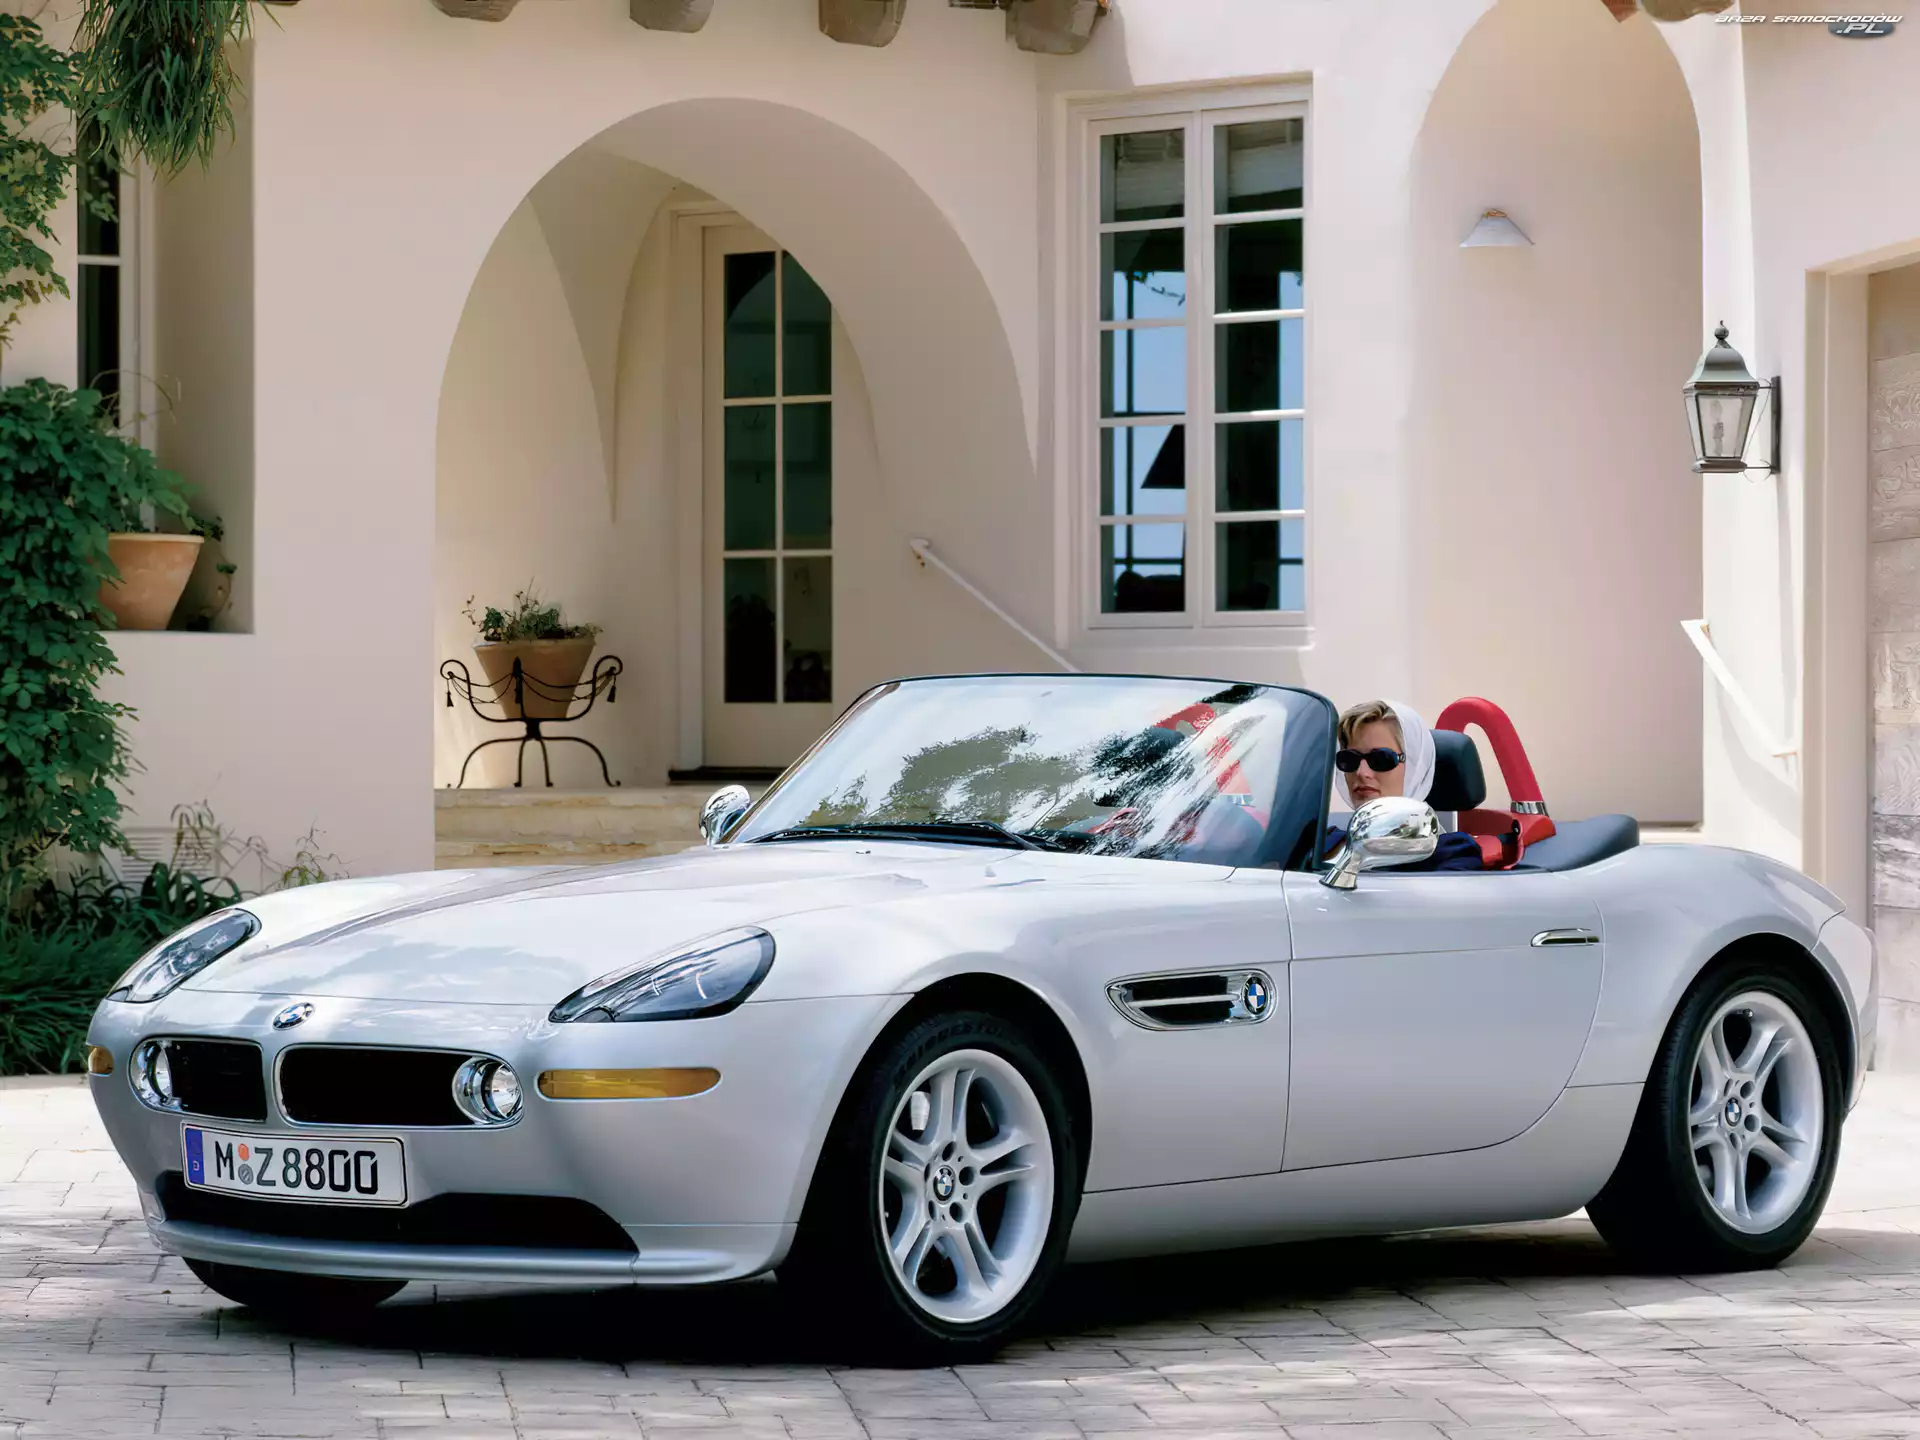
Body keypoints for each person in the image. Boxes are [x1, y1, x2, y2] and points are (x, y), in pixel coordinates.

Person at [1323, 698, 1484, 873]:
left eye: (1381, 759)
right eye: (1349, 759)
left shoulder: (1452, 854)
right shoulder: (1324, 843)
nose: (1362, 772)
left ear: (1415, 766)